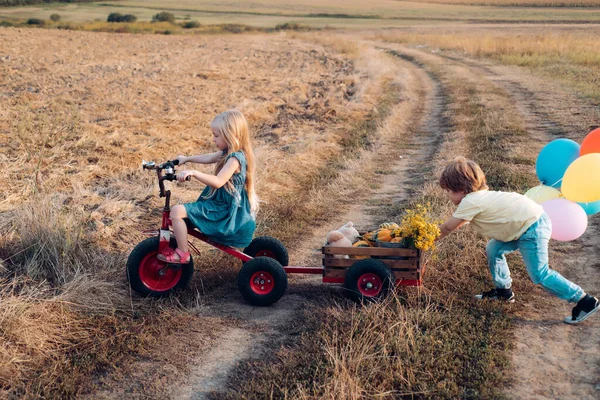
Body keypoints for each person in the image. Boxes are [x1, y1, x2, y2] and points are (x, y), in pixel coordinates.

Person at [437, 156, 599, 325]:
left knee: (540, 274)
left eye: (448, 191)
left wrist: (425, 240)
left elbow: (448, 228)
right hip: (526, 224)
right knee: (494, 248)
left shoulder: (470, 201)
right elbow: (463, 221)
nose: (447, 195)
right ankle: (504, 292)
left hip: (532, 228)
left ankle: (584, 300)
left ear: (461, 189)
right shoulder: (480, 197)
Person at [158, 109, 258, 264]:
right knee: (180, 212)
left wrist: (194, 172)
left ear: (231, 135)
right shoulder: (228, 152)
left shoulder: (235, 159)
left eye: (216, 135)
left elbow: (218, 181)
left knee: (177, 212)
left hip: (225, 210)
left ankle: (183, 254)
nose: (213, 139)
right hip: (221, 204)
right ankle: (181, 246)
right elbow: (210, 157)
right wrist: (186, 159)